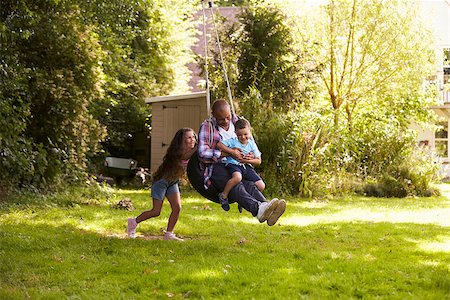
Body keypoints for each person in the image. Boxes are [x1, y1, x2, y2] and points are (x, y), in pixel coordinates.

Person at [197, 99, 286, 226]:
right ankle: (258, 209)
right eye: (221, 119)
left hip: (239, 163)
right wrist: (229, 153)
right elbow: (202, 152)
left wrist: (250, 155)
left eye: (228, 117)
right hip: (218, 165)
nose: (226, 121)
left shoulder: (237, 120)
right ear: (213, 115)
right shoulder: (207, 126)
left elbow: (249, 141)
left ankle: (267, 208)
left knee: (249, 184)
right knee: (236, 184)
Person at [127, 128, 197, 241]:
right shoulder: (177, 152)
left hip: (173, 182)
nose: (192, 139)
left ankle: (169, 234)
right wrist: (198, 148)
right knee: (156, 211)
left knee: (177, 208)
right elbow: (185, 157)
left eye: (193, 137)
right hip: (161, 182)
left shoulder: (193, 152)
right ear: (181, 140)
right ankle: (133, 222)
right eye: (189, 137)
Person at [217, 118, 265, 211]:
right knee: (237, 178)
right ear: (235, 133)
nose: (243, 137)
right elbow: (219, 145)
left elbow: (258, 161)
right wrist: (231, 151)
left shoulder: (251, 144)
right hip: (233, 164)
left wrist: (247, 161)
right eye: (239, 135)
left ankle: (243, 201)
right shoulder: (233, 141)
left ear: (250, 131)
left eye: (245, 134)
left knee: (261, 186)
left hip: (246, 166)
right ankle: (223, 195)